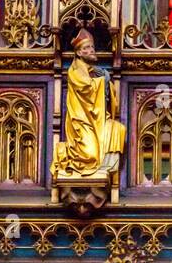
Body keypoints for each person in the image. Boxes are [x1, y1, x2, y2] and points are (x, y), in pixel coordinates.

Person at [52, 26, 126, 178]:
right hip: (81, 123)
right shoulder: (75, 70)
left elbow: (109, 98)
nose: (92, 50)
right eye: (87, 47)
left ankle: (106, 170)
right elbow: (87, 90)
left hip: (95, 120)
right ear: (78, 52)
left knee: (117, 129)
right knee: (91, 153)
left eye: (92, 46)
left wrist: (105, 82)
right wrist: (103, 80)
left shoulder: (93, 70)